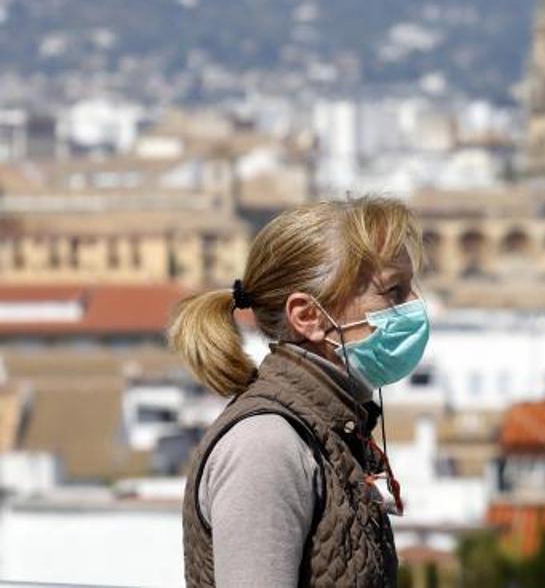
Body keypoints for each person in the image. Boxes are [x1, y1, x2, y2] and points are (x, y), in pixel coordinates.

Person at [169, 197, 430, 587]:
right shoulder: (267, 446)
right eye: (393, 292)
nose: (415, 306)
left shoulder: (333, 428)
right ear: (308, 317)